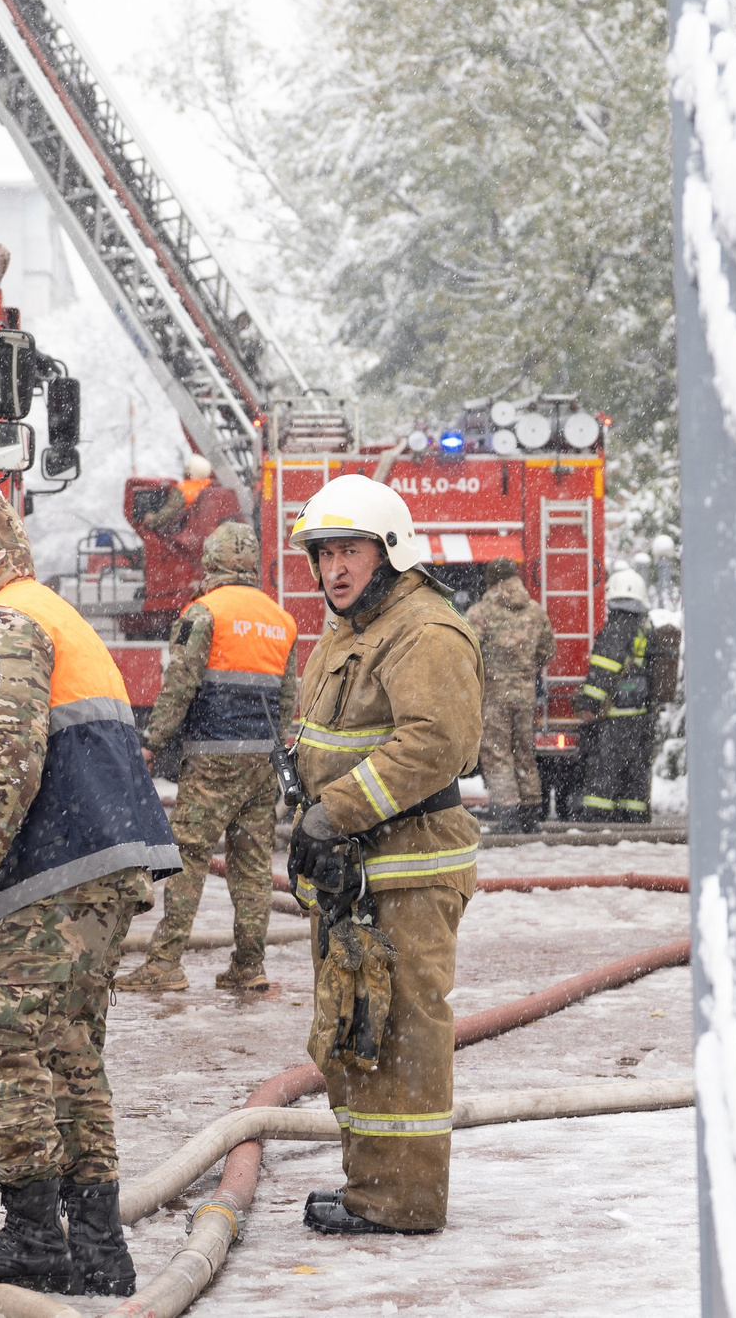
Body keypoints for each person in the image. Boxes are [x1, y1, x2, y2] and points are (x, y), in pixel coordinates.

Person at [0, 475, 181, 1297]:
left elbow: (5, 764)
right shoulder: (49, 608)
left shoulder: (0, 625)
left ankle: (33, 1236)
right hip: (101, 860)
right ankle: (97, 1247)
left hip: (63, 868)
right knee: (67, 1053)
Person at [284, 473, 482, 1236]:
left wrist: (333, 810)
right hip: (356, 877)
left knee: (403, 1038)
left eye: (350, 550)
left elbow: (436, 743)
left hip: (407, 872)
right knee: (354, 1032)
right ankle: (372, 1187)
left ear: (388, 551)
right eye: (325, 552)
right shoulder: (351, 631)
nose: (334, 567)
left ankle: (404, 1199)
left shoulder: (424, 631)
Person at [119, 519, 299, 994]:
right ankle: (249, 965)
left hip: (212, 760)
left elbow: (180, 685)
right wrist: (275, 750)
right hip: (262, 762)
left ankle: (165, 963)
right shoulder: (281, 620)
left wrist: (152, 739)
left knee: (189, 857)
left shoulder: (203, 613)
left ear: (212, 563)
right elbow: (287, 700)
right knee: (254, 864)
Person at [464, 558, 555, 835]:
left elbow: (467, 651)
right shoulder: (535, 611)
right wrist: (524, 670)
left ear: (490, 580)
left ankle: (508, 814)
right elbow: (547, 651)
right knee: (524, 753)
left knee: (497, 753)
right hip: (525, 696)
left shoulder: (480, 613)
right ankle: (530, 812)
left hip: (493, 696)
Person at [576, 570, 657, 823]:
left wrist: (588, 703)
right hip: (640, 714)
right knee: (636, 769)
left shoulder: (616, 628)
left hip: (616, 717)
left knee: (605, 767)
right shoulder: (644, 627)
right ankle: (633, 815)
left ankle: (598, 816)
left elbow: (602, 671)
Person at [137, 452, 217, 535]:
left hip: (187, 532)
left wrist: (152, 520)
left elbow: (169, 511)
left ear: (190, 472)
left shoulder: (183, 489)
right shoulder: (210, 486)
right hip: (206, 530)